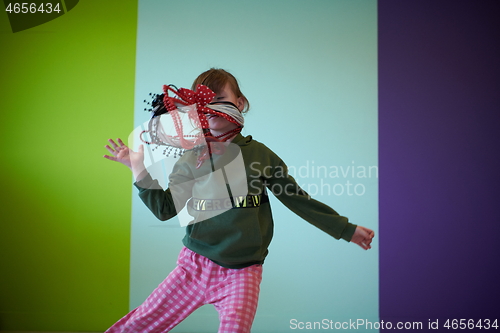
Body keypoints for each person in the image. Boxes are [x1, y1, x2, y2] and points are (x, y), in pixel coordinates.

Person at [103, 68, 375, 333]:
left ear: (240, 103)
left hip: (243, 273)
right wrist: (137, 167)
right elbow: (164, 210)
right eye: (203, 104)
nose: (211, 109)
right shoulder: (192, 158)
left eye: (219, 101)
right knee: (140, 324)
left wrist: (347, 230)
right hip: (194, 266)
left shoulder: (262, 156)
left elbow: (298, 200)